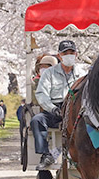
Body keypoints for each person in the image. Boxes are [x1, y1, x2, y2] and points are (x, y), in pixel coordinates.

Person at [31, 40, 88, 169]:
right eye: (65, 53)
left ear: (76, 54)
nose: (69, 55)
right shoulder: (49, 73)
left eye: (71, 52)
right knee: (37, 120)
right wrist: (53, 109)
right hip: (55, 111)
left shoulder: (83, 74)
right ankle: (45, 154)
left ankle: (88, 154)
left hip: (77, 112)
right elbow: (41, 94)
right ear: (59, 56)